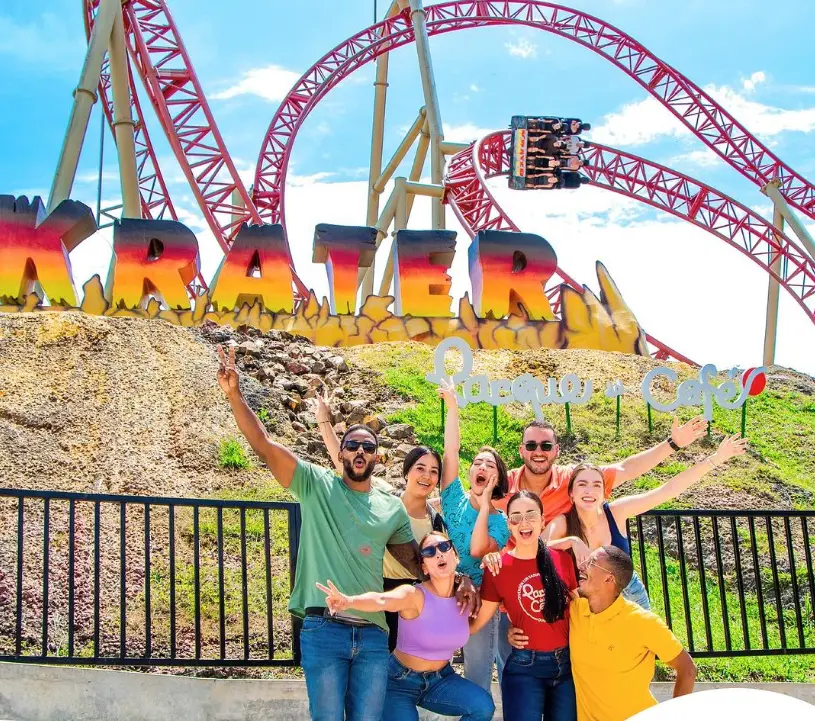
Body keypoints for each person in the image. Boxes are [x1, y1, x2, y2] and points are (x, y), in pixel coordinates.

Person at [216, 346, 453, 721]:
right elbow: (263, 444)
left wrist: (461, 583)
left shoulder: (390, 507)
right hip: (324, 629)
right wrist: (235, 395)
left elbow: (419, 563)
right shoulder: (315, 484)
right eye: (352, 445)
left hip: (373, 637)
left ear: (377, 457)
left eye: (368, 447)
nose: (360, 451)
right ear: (341, 453)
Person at [491, 416, 707, 669]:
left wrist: (672, 444)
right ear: (521, 450)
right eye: (531, 446)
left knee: (629, 664)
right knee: (531, 668)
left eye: (546, 446)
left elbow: (629, 469)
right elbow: (470, 501)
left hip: (598, 591)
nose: (539, 452)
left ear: (557, 450)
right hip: (540, 593)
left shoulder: (572, 479)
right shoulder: (504, 486)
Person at [543, 434, 749, 609]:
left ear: (604, 493)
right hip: (585, 601)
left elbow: (667, 490)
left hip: (628, 596)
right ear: (571, 494)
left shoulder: (616, 512)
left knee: (640, 656)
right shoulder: (563, 523)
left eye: (597, 485)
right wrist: (572, 541)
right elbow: (537, 549)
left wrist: (716, 458)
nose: (589, 491)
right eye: (582, 484)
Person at [314, 388, 449, 650]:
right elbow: (342, 462)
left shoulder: (435, 520)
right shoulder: (385, 498)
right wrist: (324, 421)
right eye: (420, 468)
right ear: (407, 471)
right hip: (382, 590)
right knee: (383, 655)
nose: (426, 476)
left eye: (434, 471)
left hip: (418, 595)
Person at [316, 531, 496, 721]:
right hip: (398, 682)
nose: (439, 553)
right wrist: (349, 601)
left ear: (456, 557)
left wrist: (495, 560)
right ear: (424, 568)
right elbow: (381, 600)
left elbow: (493, 598)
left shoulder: (466, 597)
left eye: (444, 547)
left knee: (482, 707)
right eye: (429, 551)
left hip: (441, 680)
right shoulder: (413, 595)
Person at [508, 546, 696, 721]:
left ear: (609, 579)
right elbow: (536, 614)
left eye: (591, 563)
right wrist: (513, 632)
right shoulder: (574, 611)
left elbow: (687, 669)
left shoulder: (643, 622)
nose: (581, 566)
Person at [472, 491, 577, 721]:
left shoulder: (563, 560)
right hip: (525, 667)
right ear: (509, 524)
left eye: (531, 515)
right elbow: (478, 622)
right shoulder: (498, 567)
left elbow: (581, 611)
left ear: (542, 520)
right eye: (516, 517)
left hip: (568, 666)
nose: (524, 523)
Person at [437, 378, 510, 694]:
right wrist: (453, 406)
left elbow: (480, 549)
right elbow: (450, 450)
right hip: (442, 594)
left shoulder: (501, 523)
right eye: (477, 463)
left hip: (480, 603)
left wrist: (485, 502)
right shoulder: (452, 497)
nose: (481, 466)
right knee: (436, 670)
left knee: (478, 676)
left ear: (498, 476)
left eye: (489, 464)